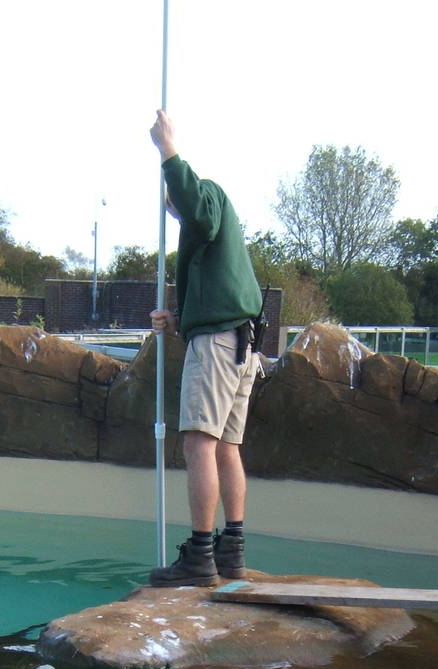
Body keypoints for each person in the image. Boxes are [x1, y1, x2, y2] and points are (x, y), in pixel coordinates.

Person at [147, 109, 265, 587]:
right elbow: (219, 299)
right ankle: (230, 550)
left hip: (218, 346)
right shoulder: (216, 244)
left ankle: (199, 555)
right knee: (228, 448)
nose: (173, 214)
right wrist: (179, 319)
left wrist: (167, 150)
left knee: (200, 441)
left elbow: (197, 206)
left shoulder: (208, 198)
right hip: (241, 342)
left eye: (171, 206)